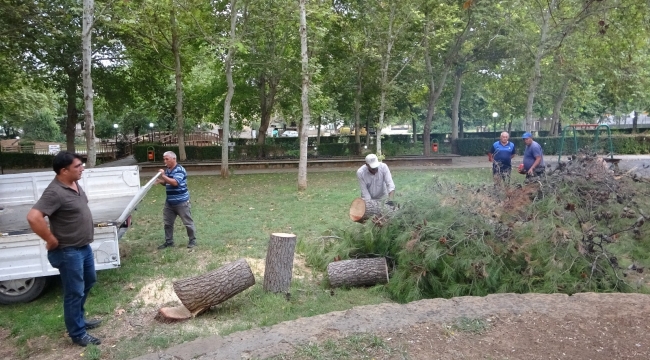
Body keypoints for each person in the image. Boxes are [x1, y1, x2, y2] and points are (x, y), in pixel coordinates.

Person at [26, 152, 102, 347]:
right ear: (64, 170)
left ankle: (79, 319)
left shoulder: (74, 184)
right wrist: (50, 239)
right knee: (74, 291)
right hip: (69, 252)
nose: (82, 168)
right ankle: (77, 333)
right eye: (77, 166)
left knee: (89, 281)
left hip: (83, 248)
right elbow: (34, 217)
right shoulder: (55, 192)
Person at [157, 151, 197, 249]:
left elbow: (175, 183)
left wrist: (163, 176)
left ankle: (192, 240)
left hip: (181, 202)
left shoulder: (179, 170)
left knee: (188, 222)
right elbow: (168, 183)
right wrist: (161, 181)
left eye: (167, 159)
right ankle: (169, 241)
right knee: (168, 223)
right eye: (164, 159)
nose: (165, 161)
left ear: (174, 159)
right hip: (169, 203)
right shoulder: (168, 170)